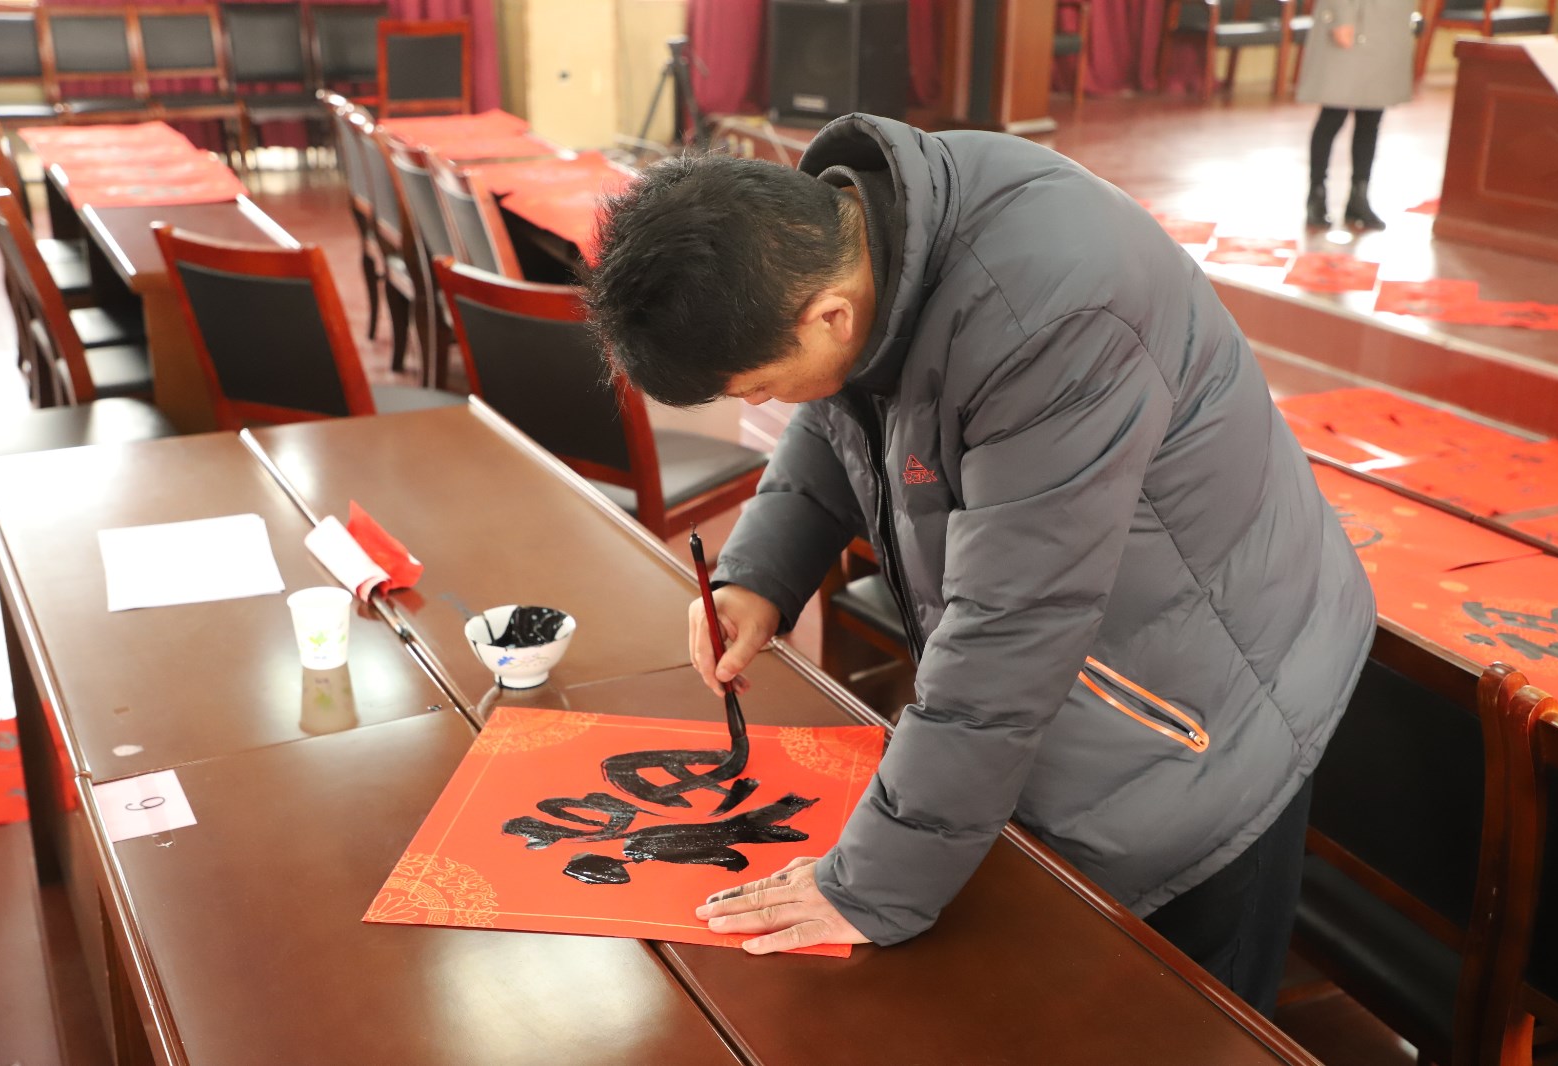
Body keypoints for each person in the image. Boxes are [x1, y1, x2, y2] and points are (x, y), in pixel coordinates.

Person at [582, 114, 1375, 1016]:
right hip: (1101, 663)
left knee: (1185, 1019)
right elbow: (840, 404)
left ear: (827, 314)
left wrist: (868, 886)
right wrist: (758, 574)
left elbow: (1011, 628)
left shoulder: (1052, 318)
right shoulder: (857, 237)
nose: (768, 402)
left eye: (757, 387)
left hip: (1205, 705)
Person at [1296, 0, 1418, 230]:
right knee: (1333, 114)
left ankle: (1359, 197)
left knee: (1371, 116)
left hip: (1385, 25)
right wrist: (1342, 16)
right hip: (1357, 21)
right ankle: (1316, 195)